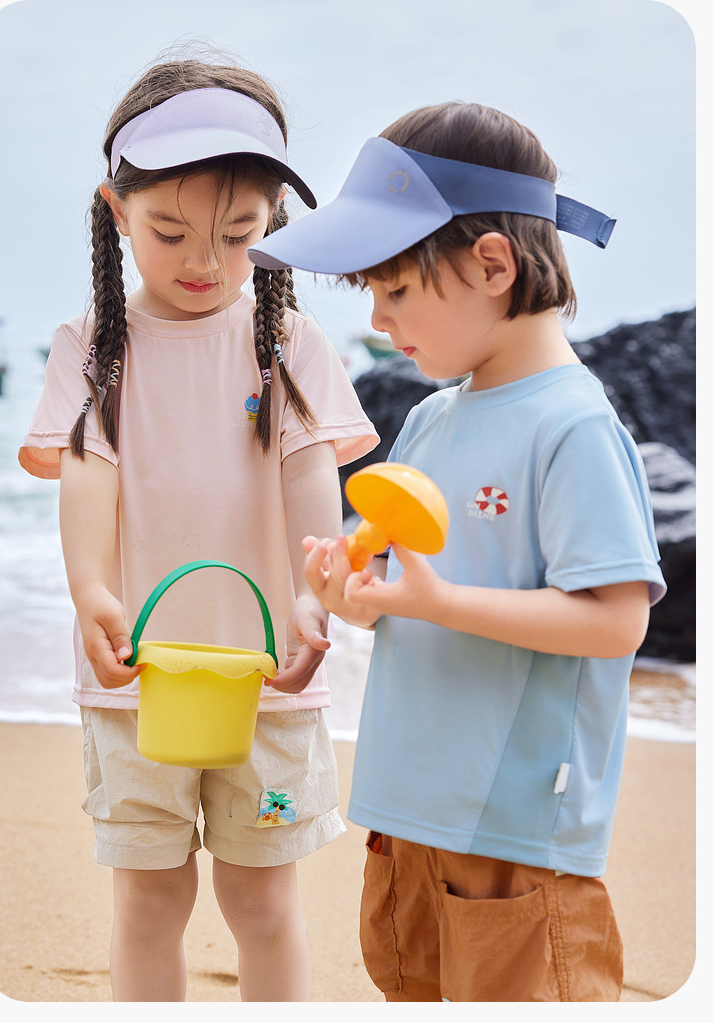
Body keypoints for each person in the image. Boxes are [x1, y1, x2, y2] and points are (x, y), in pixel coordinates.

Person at [248, 101, 666, 1002]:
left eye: (396, 290)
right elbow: (404, 586)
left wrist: (436, 603)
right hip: (407, 810)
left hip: (515, 828)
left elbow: (616, 621)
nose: (378, 319)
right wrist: (349, 595)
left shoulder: (573, 425)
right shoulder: (432, 417)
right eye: (371, 294)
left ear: (492, 265)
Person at [18, 56, 379, 1002]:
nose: (205, 262)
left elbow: (310, 472)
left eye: (239, 234)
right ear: (116, 208)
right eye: (170, 232)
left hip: (267, 676)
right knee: (149, 901)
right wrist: (91, 591)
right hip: (137, 678)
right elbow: (89, 469)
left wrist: (311, 597)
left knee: (262, 903)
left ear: (274, 220)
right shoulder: (92, 343)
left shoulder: (289, 342)